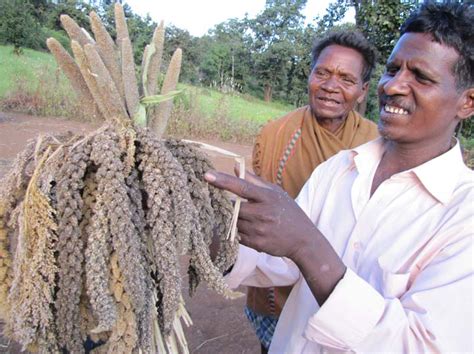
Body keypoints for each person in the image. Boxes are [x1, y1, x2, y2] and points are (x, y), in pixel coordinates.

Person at [205, 2, 474, 353]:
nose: (393, 86)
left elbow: (421, 345)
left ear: (468, 102)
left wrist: (307, 245)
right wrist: (212, 227)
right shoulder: (340, 168)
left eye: (421, 77)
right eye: (393, 70)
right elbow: (282, 265)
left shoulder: (463, 216)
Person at [247, 31, 379, 353]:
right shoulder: (275, 134)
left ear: (362, 92)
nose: (331, 86)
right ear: (310, 75)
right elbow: (258, 215)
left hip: (344, 295)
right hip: (277, 289)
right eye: (322, 73)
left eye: (346, 79)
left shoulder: (376, 144)